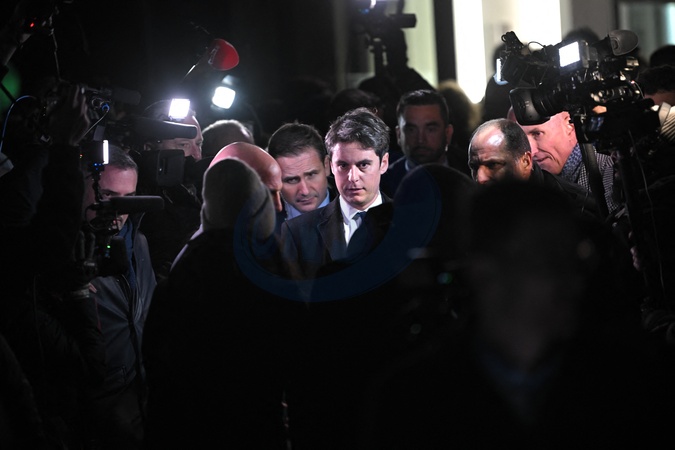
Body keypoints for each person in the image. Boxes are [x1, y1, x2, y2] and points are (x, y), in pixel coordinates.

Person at [143, 158, 287, 449]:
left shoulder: (184, 274)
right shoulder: (276, 272)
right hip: (257, 428)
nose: (279, 204)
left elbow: (159, 369)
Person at [80, 146, 156, 450]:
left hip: (137, 392)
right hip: (88, 402)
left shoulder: (140, 243)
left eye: (128, 197)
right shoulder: (65, 256)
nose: (119, 209)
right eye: (109, 195)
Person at [280, 107, 391, 281]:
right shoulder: (297, 233)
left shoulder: (410, 223)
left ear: (383, 163)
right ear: (331, 165)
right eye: (343, 165)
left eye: (363, 165)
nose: (352, 177)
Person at [468, 118, 600, 219]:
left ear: (525, 162)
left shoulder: (573, 210)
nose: (480, 178)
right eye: (474, 167)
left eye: (493, 165)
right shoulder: (467, 209)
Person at [136, 99, 205, 282]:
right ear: (149, 147)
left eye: (198, 144)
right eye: (183, 145)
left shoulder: (206, 194)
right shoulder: (136, 200)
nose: (197, 155)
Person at [516, 110, 619, 216]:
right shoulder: (529, 192)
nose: (531, 151)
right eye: (523, 140)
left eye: (537, 134)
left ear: (570, 126)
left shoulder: (612, 177)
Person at [380, 89, 468, 198]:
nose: (420, 139)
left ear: (448, 133)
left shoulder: (471, 173)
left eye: (431, 129)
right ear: (399, 135)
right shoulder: (381, 184)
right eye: (411, 130)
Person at [267, 122, 336, 222]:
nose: (305, 191)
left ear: (326, 166)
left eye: (311, 175)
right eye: (292, 180)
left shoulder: (355, 207)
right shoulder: (258, 224)